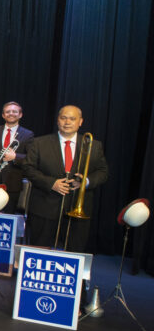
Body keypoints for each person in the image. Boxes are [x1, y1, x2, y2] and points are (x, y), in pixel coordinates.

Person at [23, 105, 108, 252]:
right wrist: (51, 183)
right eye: (64, 118)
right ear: (58, 120)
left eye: (72, 119)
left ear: (80, 122)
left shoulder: (94, 145)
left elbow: (103, 172)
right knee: (38, 252)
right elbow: (28, 168)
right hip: (44, 208)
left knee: (74, 253)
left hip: (77, 210)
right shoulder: (39, 143)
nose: (67, 122)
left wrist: (85, 182)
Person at [0, 102, 34, 213]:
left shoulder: (28, 134)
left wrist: (15, 156)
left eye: (14, 111)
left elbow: (31, 158)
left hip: (13, 183)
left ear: (20, 115)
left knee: (8, 217)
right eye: (8, 111)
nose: (11, 114)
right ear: (3, 115)